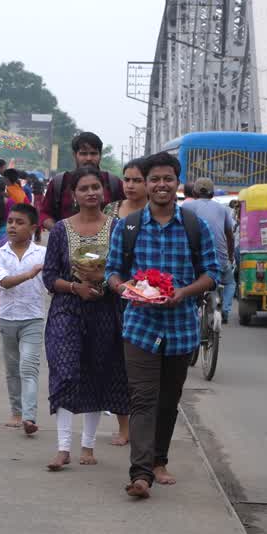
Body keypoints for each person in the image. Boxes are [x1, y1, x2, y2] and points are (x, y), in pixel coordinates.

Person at [106, 152, 219, 499]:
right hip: (139, 325)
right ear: (145, 183)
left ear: (178, 184)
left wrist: (184, 292)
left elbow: (212, 273)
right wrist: (127, 289)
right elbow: (112, 273)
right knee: (142, 398)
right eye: (153, 179)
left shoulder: (194, 226)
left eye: (167, 179)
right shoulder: (128, 226)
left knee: (169, 399)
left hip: (181, 327)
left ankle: (159, 460)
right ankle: (140, 474)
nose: (160, 185)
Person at [42, 166, 133, 471]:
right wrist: (76, 287)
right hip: (67, 309)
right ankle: (63, 447)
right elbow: (49, 276)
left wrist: (104, 283)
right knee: (66, 372)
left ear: (103, 192)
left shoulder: (117, 227)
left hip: (106, 310)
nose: (91, 192)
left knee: (97, 372)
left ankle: (88, 445)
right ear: (74, 195)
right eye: (84, 188)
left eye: (96, 187)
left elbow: (125, 271)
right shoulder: (60, 230)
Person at [0, 204, 48, 436]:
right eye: (10, 221)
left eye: (19, 222)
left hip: (33, 318)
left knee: (28, 366)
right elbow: (3, 282)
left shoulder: (42, 254)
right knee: (12, 369)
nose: (13, 226)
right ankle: (16, 411)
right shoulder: (0, 254)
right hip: (7, 318)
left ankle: (29, 416)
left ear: (33, 228)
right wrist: (29, 274)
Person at [106, 159, 149, 447]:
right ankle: (124, 427)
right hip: (115, 295)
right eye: (127, 179)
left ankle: (143, 425)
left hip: (148, 298)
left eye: (137, 180)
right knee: (117, 363)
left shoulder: (156, 213)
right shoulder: (112, 211)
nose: (130, 185)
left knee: (143, 368)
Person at [40, 132, 122, 230]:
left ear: (100, 155)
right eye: (83, 154)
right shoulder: (60, 182)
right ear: (75, 155)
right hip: (67, 243)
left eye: (93, 153)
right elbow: (44, 213)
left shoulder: (113, 182)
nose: (89, 158)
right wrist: (59, 231)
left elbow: (129, 209)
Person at [182, 177, 236, 321]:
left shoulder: (186, 207)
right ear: (212, 194)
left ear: (194, 192)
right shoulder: (222, 209)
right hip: (220, 259)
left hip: (194, 261)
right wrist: (230, 257)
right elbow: (230, 236)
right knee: (229, 283)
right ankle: (225, 309)